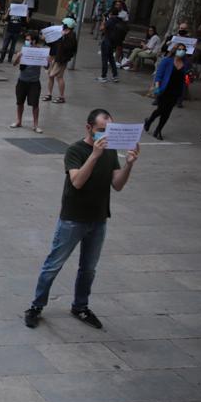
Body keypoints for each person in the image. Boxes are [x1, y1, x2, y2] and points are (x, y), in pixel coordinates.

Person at [24, 109, 139, 330]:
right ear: (89, 128)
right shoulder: (76, 150)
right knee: (53, 265)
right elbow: (77, 181)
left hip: (98, 219)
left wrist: (129, 165)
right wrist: (94, 155)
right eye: (101, 131)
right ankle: (36, 306)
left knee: (88, 268)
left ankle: (80, 306)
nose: (105, 135)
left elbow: (117, 184)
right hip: (73, 219)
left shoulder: (110, 150)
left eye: (109, 131)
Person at [144, 43, 189, 140]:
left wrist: (189, 78)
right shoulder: (167, 61)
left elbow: (186, 78)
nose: (181, 51)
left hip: (176, 91)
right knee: (161, 109)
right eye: (179, 49)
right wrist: (156, 89)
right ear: (175, 50)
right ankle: (149, 121)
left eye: (183, 50)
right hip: (164, 90)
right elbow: (158, 76)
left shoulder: (185, 64)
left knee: (167, 112)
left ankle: (158, 130)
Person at [10, 31, 44, 133]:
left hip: (34, 82)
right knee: (20, 102)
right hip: (22, 80)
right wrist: (18, 56)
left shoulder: (40, 52)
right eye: (26, 39)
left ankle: (35, 125)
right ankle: (19, 121)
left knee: (35, 104)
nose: (26, 41)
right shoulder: (23, 50)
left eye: (28, 40)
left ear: (34, 41)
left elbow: (46, 66)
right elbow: (14, 64)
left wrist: (47, 60)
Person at [44, 18, 77, 104]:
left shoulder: (71, 35)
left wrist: (63, 37)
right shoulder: (62, 33)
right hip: (55, 57)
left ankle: (61, 97)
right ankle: (49, 94)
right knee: (51, 76)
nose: (62, 26)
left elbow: (69, 48)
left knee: (58, 76)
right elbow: (54, 44)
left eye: (63, 24)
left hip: (61, 59)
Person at [97, 9, 124, 82]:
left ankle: (103, 76)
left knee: (105, 59)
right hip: (114, 42)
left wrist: (103, 20)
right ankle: (115, 76)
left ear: (111, 14)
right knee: (111, 59)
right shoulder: (119, 21)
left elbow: (101, 28)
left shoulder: (110, 21)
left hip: (107, 41)